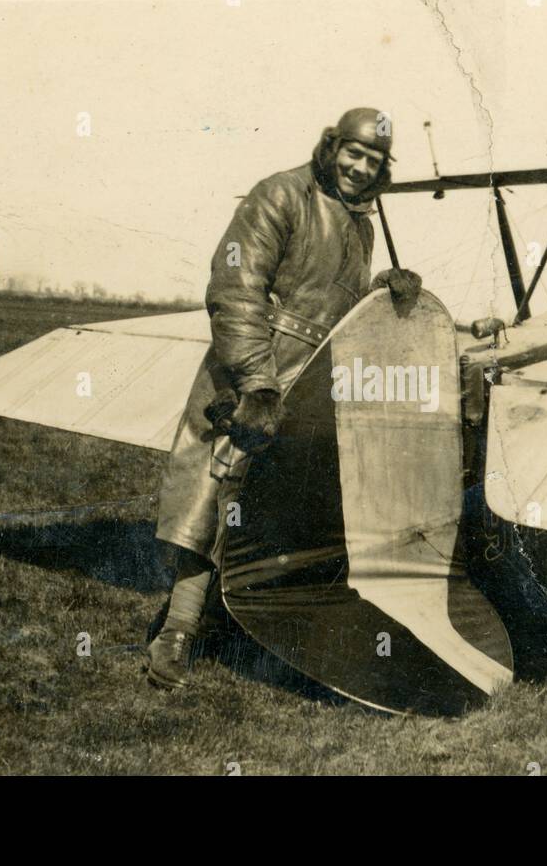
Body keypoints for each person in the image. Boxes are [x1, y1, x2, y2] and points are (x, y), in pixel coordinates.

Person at [147, 107, 423, 688]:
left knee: (274, 504)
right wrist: (258, 385)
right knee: (211, 498)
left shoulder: (361, 224)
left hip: (309, 382)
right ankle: (175, 633)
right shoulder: (279, 194)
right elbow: (236, 288)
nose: (359, 167)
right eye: (353, 153)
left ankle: (250, 622)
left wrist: (384, 298)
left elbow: (334, 308)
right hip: (253, 374)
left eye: (373, 161)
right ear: (331, 146)